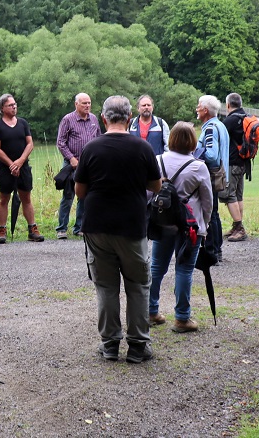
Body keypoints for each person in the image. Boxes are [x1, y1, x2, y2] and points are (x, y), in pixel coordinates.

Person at [74, 95, 162, 363]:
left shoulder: (91, 148)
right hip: (132, 226)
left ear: (103, 118)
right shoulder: (142, 147)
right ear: (128, 119)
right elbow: (156, 186)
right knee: (137, 285)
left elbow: (80, 191)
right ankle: (138, 346)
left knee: (106, 287)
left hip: (97, 225)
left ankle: (110, 344)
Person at [149, 122, 212, 334]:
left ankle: (151, 311)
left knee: (157, 268)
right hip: (189, 226)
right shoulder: (198, 166)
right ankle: (182, 318)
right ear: (192, 141)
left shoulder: (158, 161)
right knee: (184, 269)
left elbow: (149, 194)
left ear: (172, 139)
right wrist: (205, 225)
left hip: (162, 222)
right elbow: (207, 201)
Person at [0, 93, 43, 243]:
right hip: (5, 168)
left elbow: (30, 144)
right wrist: (11, 164)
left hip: (23, 167)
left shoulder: (23, 123)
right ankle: (2, 230)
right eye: (10, 105)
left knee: (26, 198)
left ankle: (32, 230)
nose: (14, 107)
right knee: (4, 198)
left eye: (15, 104)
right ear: (2, 108)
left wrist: (20, 162)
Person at [55, 93, 101, 239]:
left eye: (89, 103)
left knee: (84, 196)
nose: (87, 106)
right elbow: (60, 142)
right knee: (68, 196)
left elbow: (99, 138)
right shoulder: (68, 120)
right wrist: (71, 159)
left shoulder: (94, 119)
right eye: (84, 103)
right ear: (76, 104)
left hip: (89, 164)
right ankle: (61, 228)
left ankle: (80, 227)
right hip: (71, 164)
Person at [194, 95, 230, 263]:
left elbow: (212, 155)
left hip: (210, 176)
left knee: (210, 213)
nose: (197, 109)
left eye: (199, 106)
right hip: (221, 176)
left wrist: (194, 152)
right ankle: (218, 250)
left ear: (205, 110)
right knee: (214, 212)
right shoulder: (220, 125)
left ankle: (212, 251)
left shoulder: (209, 129)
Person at [221, 93, 250, 242]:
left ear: (228, 105)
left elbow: (221, 136)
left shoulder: (231, 120)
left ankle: (239, 228)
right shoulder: (246, 116)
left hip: (233, 162)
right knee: (238, 195)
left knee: (229, 195)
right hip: (244, 163)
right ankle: (236, 225)